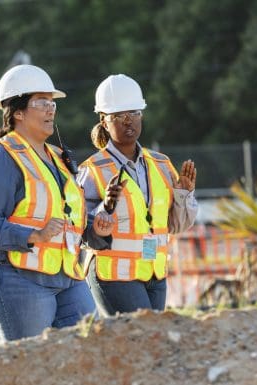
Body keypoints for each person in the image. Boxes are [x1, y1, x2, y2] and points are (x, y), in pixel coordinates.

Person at [0, 64, 113, 341]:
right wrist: (34, 234)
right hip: (16, 278)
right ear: (18, 112)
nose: (51, 109)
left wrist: (95, 229)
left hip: (66, 276)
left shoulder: (59, 157)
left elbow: (68, 218)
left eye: (52, 102)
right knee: (32, 367)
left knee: (87, 353)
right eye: (41, 102)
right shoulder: (2, 156)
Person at [77, 74, 198, 316]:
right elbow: (80, 230)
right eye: (119, 116)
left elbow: (176, 225)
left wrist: (183, 195)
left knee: (150, 343)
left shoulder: (162, 165)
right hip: (114, 275)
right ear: (104, 120)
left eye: (134, 113)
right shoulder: (92, 170)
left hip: (154, 272)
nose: (128, 121)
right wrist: (105, 208)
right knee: (140, 337)